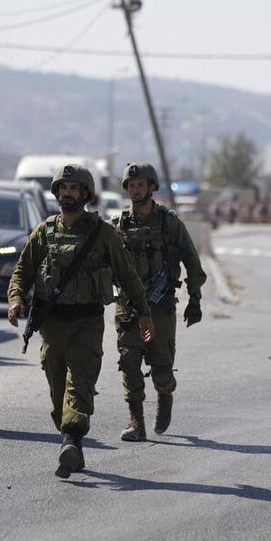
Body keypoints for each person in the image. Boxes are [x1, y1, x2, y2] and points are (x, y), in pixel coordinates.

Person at [6, 164, 156, 479]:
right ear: (57, 193)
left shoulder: (102, 234)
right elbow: (23, 269)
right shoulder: (45, 231)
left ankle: (72, 441)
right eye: (63, 188)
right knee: (58, 392)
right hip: (52, 324)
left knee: (80, 386)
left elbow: (127, 276)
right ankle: (73, 445)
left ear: (85, 194)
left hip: (87, 322)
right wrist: (16, 298)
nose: (67, 193)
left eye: (74, 188)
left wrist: (144, 312)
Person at [113, 162, 207, 442]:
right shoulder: (119, 224)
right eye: (131, 185)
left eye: (141, 184)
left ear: (151, 187)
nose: (136, 189)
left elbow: (192, 260)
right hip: (129, 305)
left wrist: (195, 300)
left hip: (160, 305)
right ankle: (136, 421)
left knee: (161, 364)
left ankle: (164, 396)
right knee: (129, 361)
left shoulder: (169, 222)